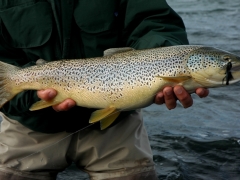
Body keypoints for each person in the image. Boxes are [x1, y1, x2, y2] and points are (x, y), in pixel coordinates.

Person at [0, 0, 209, 179]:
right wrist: (28, 98)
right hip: (27, 124)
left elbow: (153, 22)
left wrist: (170, 64)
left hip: (116, 126)